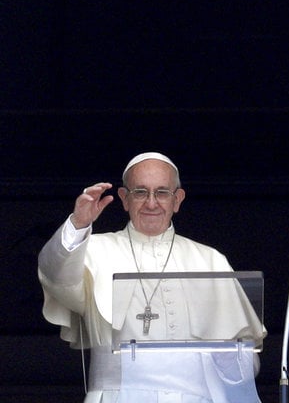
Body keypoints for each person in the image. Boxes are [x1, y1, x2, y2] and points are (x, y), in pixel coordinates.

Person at [38, 152, 265, 403]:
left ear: (177, 200)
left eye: (162, 192)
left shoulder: (210, 260)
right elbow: (56, 276)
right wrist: (78, 224)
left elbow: (246, 369)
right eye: (140, 192)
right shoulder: (93, 250)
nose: (151, 203)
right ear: (124, 199)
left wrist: (228, 355)